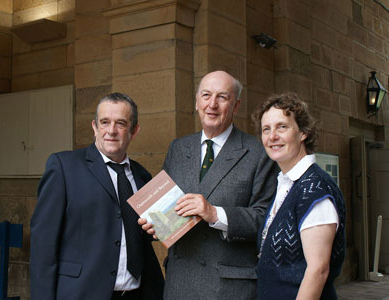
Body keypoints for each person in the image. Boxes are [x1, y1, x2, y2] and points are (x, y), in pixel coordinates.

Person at [139, 70, 278, 299]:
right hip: (179, 283)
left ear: (236, 105)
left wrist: (214, 213)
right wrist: (155, 225)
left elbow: (265, 221)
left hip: (228, 288)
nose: (212, 104)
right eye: (206, 95)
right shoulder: (178, 148)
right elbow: (163, 208)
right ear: (196, 102)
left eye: (222, 97)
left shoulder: (258, 153)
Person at [30, 93, 164, 300]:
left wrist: (162, 227)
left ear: (134, 130)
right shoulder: (64, 167)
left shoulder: (141, 175)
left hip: (139, 293)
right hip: (82, 294)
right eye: (104, 122)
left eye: (120, 123)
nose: (111, 131)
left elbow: (144, 232)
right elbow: (43, 246)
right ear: (94, 127)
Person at [253, 92, 346, 299]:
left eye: (282, 127)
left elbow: (318, 270)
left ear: (303, 132)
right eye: (266, 129)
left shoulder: (314, 189)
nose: (272, 136)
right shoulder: (287, 183)